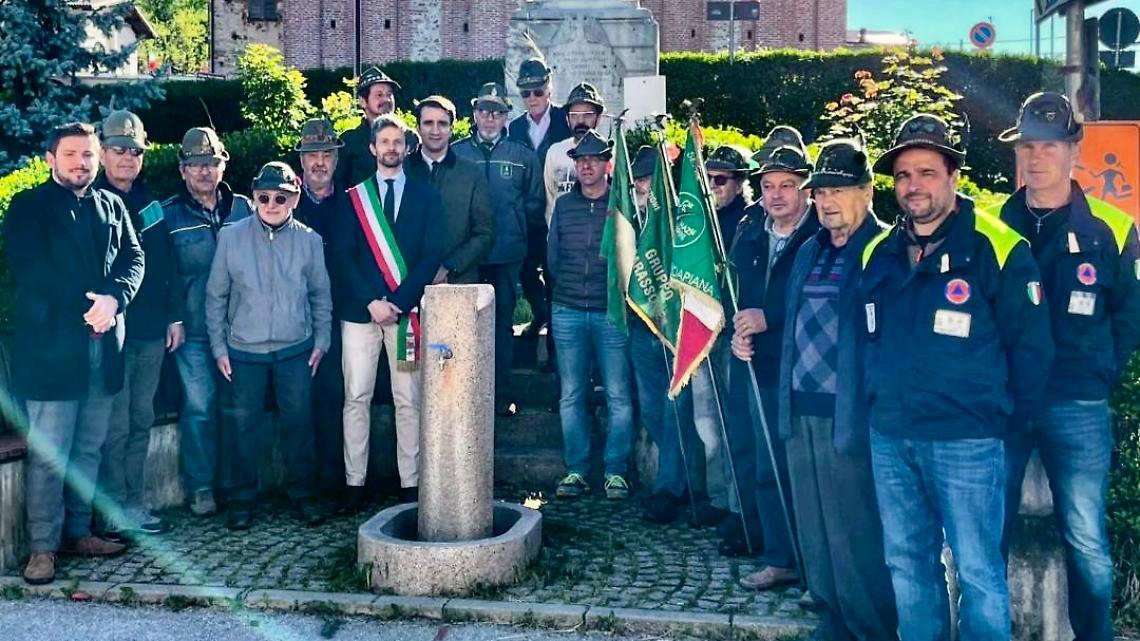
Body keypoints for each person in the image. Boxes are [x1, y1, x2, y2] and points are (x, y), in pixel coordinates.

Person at [862, 115, 1053, 641]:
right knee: (907, 565)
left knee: (978, 571)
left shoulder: (999, 247)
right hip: (892, 437)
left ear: (952, 177)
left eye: (926, 172)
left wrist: (1006, 427)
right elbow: (865, 341)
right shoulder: (879, 253)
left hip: (968, 442)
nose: (913, 186)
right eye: (902, 175)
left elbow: (1031, 352)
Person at [999, 92, 1140, 641]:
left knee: (1086, 539)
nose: (1037, 159)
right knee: (990, 533)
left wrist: (1101, 371)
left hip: (1077, 403)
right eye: (1028, 146)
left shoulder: (1113, 227)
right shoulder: (993, 224)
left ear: (1073, 150)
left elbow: (1130, 315)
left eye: (1050, 146)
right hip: (1006, 402)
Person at [7, 122, 144, 584]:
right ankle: (42, 548)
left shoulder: (112, 204)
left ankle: (78, 532)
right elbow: (32, 272)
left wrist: (115, 300)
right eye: (71, 155)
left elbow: (133, 257)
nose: (81, 163)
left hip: (104, 350)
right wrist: (91, 307)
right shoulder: (27, 208)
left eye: (87, 154)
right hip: (52, 354)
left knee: (89, 449)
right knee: (49, 454)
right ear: (51, 158)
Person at [777, 139, 898, 639]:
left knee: (855, 528)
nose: (827, 201)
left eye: (839, 190)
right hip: (801, 404)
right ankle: (830, 613)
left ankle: (868, 626)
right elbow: (792, 325)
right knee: (815, 523)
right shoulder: (808, 249)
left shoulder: (885, 250)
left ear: (867, 192)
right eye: (821, 191)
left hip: (849, 412)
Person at [206, 162, 332, 530]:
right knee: (243, 429)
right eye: (263, 197)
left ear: (294, 198)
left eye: (281, 197)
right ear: (255, 198)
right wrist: (219, 348)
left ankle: (304, 495)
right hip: (244, 352)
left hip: (296, 349)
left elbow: (320, 294)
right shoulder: (230, 237)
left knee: (299, 425)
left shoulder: (309, 240)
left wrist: (322, 341)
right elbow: (216, 296)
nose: (271, 204)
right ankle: (241, 500)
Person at [723, 145, 819, 585]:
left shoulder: (820, 234)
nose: (776, 195)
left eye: (787, 185)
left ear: (805, 189)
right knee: (767, 467)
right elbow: (740, 293)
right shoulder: (751, 231)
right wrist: (739, 331)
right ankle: (779, 558)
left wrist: (770, 318)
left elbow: (819, 304)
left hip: (806, 371)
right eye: (767, 186)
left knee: (807, 472)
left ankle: (817, 568)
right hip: (759, 364)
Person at [339, 114, 443, 508]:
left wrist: (398, 303)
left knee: (408, 399)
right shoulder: (353, 199)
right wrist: (372, 301)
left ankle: (410, 483)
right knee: (356, 396)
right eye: (384, 141)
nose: (391, 148)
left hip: (405, 316)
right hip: (360, 312)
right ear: (372, 148)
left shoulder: (425, 197)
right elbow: (345, 257)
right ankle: (354, 483)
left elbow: (430, 255)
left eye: (398, 142)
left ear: (407, 147)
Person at [92, 110, 182, 540]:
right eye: (118, 150)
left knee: (141, 418)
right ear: (102, 153)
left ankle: (134, 503)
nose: (127, 157)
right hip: (107, 334)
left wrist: (174, 316)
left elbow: (166, 263)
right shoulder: (90, 201)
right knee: (115, 424)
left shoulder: (149, 203)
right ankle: (111, 508)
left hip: (148, 330)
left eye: (134, 151)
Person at [163, 127, 254, 517]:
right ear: (182, 170)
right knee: (199, 408)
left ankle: (237, 487)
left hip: (241, 332)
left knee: (239, 409)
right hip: (196, 332)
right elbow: (161, 275)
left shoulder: (246, 209)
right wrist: (174, 318)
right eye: (196, 164)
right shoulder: (166, 215)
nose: (204, 171)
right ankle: (201, 487)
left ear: (223, 164)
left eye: (211, 163)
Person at [547, 130, 634, 501]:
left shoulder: (622, 203)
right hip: (567, 308)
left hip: (610, 312)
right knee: (571, 394)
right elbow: (552, 256)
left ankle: (615, 471)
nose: (586, 165)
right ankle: (577, 470)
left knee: (618, 394)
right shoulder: (565, 205)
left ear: (607, 164)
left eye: (594, 159)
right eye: (580, 160)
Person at [452, 83, 544, 417]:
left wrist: (516, 230)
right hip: (467, 259)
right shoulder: (458, 152)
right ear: (475, 114)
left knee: (502, 326)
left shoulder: (522, 155)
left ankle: (501, 394)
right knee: (466, 327)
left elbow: (534, 204)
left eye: (497, 112)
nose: (490, 118)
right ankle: (467, 396)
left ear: (506, 117)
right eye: (484, 111)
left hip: (506, 256)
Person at [293, 117, 353, 507]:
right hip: (294, 318)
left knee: (335, 398)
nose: (319, 162)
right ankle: (303, 487)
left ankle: (333, 483)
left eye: (326, 154)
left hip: (342, 315)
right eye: (312, 154)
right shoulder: (285, 202)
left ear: (335, 159)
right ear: (301, 161)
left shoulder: (353, 203)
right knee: (299, 402)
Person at [508, 57, 571, 342]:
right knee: (525, 270)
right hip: (529, 215)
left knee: (556, 274)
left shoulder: (565, 120)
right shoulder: (515, 129)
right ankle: (541, 313)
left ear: (549, 89)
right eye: (525, 92)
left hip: (560, 213)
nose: (532, 98)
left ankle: (557, 343)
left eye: (538, 91)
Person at [405, 95, 494, 285]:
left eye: (442, 123)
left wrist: (449, 266)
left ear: (451, 128)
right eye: (428, 123)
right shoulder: (401, 171)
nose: (435, 130)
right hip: (406, 281)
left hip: (458, 282)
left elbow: (484, 233)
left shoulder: (471, 174)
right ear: (418, 127)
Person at [543, 82, 605, 227]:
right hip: (564, 235)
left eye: (587, 115)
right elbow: (550, 198)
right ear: (567, 119)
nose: (580, 121)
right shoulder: (555, 152)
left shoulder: (610, 153)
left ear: (598, 118)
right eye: (574, 116)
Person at [336, 66, 407, 188]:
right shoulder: (349, 141)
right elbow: (338, 186)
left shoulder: (410, 137)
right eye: (379, 95)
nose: (386, 99)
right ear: (363, 101)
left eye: (389, 94)